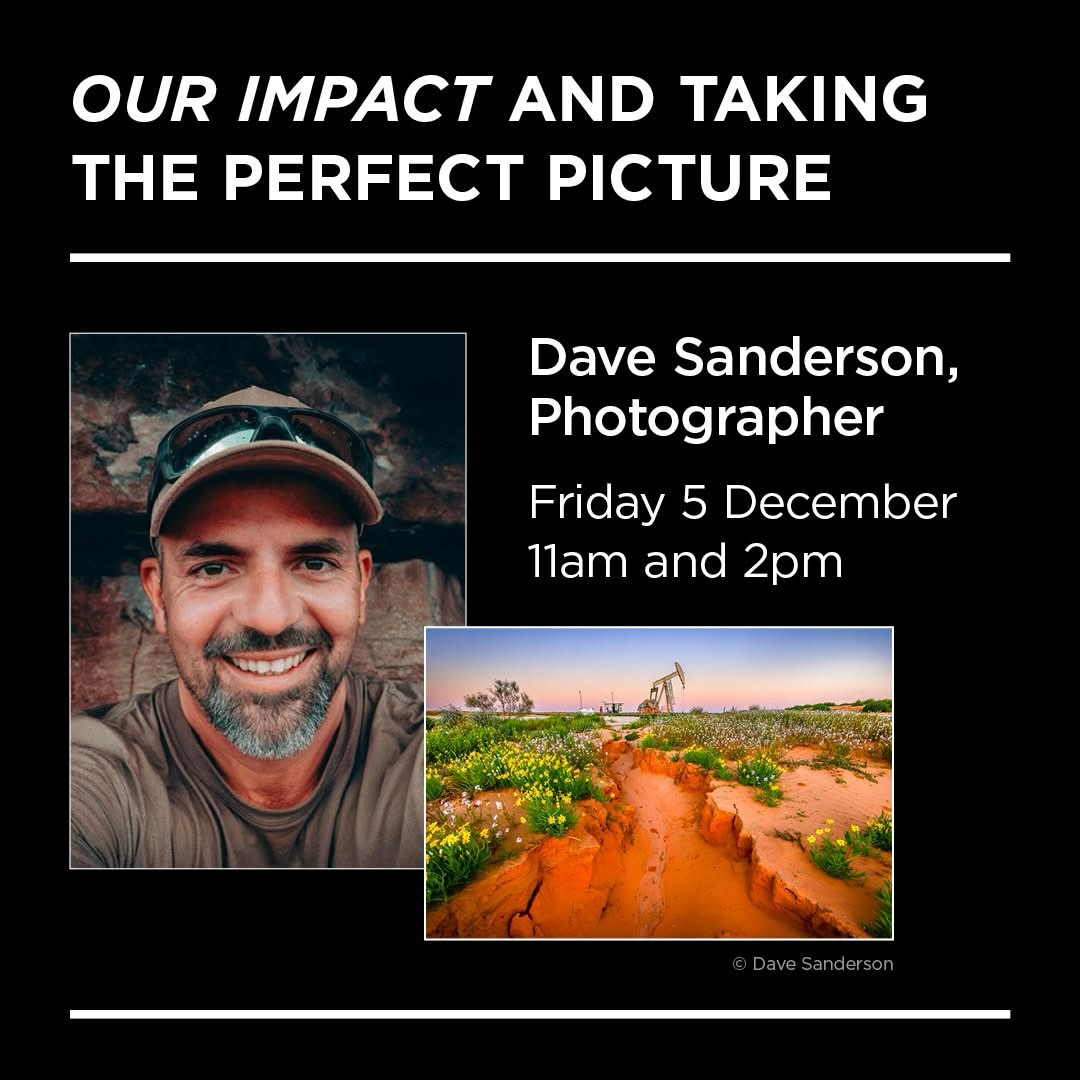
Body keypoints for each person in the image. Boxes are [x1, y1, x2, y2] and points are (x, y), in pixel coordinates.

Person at [70, 387, 425, 868]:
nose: (269, 617)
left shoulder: (433, 753)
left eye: (314, 562)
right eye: (214, 568)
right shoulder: (92, 779)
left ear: (360, 586)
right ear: (157, 595)